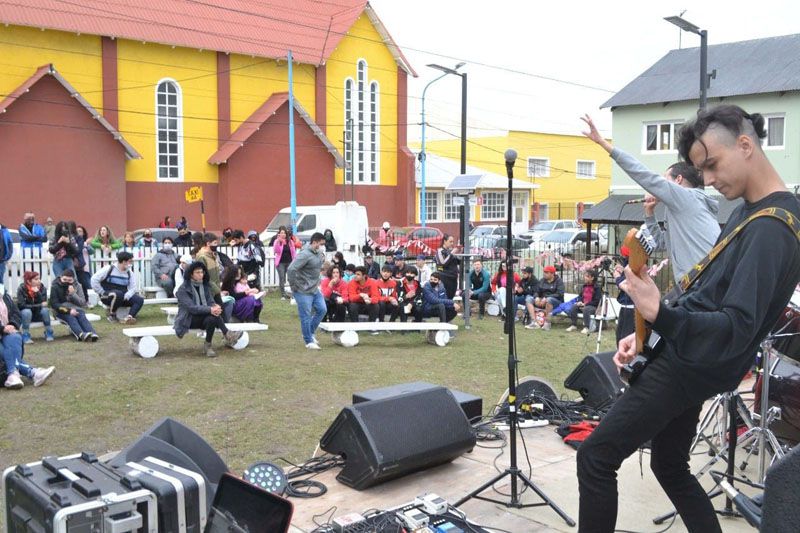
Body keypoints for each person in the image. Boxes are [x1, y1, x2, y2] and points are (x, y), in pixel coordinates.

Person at [576, 105, 800, 533]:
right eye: (703, 170)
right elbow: (705, 291)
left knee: (596, 457)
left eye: (712, 165)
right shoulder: (750, 210)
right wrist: (648, 333)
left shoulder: (772, 228)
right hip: (687, 358)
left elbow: (734, 328)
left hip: (689, 366)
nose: (710, 180)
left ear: (746, 144)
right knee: (669, 464)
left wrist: (659, 311)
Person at [582, 114, 720, 284]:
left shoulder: (687, 197)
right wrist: (649, 214)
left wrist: (603, 144)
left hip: (703, 282)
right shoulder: (681, 208)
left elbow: (644, 176)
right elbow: (662, 244)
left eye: (665, 178)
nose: (661, 185)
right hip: (695, 283)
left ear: (678, 181)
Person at [174, 261, 243, 357]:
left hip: (204, 317)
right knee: (212, 314)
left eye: (202, 272)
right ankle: (227, 334)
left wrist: (215, 306)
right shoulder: (182, 289)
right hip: (188, 319)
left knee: (213, 317)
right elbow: (192, 308)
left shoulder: (205, 286)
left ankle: (208, 345)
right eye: (197, 272)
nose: (201, 275)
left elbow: (210, 301)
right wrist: (210, 309)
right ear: (191, 274)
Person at [1, 290, 55, 390]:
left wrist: (12, 325)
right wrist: (2, 328)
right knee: (6, 354)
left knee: (15, 337)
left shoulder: (5, 296)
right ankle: (33, 372)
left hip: (5, 334)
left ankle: (13, 375)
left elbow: (16, 313)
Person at [287, 232, 327, 350]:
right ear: (314, 242)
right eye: (321, 244)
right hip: (302, 290)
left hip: (315, 289)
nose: (322, 247)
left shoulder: (319, 253)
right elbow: (291, 269)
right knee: (306, 315)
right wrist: (294, 286)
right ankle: (308, 341)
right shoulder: (304, 254)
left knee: (322, 309)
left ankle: (309, 332)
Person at [91, 251, 143, 324]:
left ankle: (129, 317)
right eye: (130, 261)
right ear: (124, 261)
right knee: (118, 294)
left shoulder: (129, 273)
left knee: (139, 299)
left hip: (122, 296)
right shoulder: (109, 269)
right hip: (107, 296)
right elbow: (94, 279)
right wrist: (101, 292)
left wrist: (127, 296)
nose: (131, 264)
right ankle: (112, 315)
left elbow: (133, 288)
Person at [49, 269, 98, 341]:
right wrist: (69, 311)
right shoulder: (55, 286)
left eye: (69, 280)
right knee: (71, 317)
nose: (66, 282)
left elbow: (82, 303)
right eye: (64, 279)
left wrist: (73, 294)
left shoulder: (78, 286)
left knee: (82, 316)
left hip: (77, 309)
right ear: (61, 277)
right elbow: (54, 304)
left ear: (73, 279)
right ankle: (81, 334)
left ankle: (92, 333)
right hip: (61, 311)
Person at [196, 232, 234, 320]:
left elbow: (216, 274)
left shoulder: (212, 256)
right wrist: (217, 289)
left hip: (215, 290)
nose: (217, 245)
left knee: (221, 313)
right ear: (208, 244)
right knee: (217, 313)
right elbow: (204, 276)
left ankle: (225, 330)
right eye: (215, 243)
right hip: (208, 291)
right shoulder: (202, 257)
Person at [16, 271, 54, 343]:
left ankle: (49, 332)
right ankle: (25, 334)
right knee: (27, 311)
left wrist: (38, 293)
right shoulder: (21, 289)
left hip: (37, 314)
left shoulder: (42, 289)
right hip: (26, 316)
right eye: (36, 279)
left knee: (45, 310)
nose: (39, 281)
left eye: (39, 278)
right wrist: (39, 305)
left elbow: (44, 304)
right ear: (29, 281)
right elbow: (21, 306)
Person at [566, 269, 601, 334]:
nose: (585, 278)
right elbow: (580, 296)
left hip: (593, 307)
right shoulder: (584, 286)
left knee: (586, 309)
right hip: (584, 305)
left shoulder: (597, 287)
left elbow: (597, 301)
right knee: (574, 307)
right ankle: (574, 325)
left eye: (587, 276)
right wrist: (579, 302)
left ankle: (586, 327)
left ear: (592, 278)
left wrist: (586, 304)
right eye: (585, 276)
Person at [532, 265, 564, 331]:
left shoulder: (559, 281)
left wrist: (546, 298)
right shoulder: (542, 280)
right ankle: (533, 321)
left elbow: (560, 294)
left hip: (556, 302)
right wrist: (537, 297)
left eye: (547, 272)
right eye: (544, 272)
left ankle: (547, 323)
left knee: (549, 300)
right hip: (543, 300)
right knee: (530, 299)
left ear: (552, 273)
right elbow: (537, 291)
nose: (544, 274)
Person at [273, 227, 296, 300]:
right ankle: (283, 295)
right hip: (280, 263)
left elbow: (293, 252)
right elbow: (276, 251)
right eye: (281, 233)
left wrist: (295, 261)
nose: (283, 234)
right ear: (279, 234)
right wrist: (278, 242)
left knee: (291, 278)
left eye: (284, 233)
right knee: (282, 278)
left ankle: (293, 294)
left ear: (286, 234)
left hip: (289, 262)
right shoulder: (277, 241)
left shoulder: (290, 242)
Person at [434, 234, 460, 298]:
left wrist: (459, 253)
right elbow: (442, 263)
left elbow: (458, 262)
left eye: (453, 242)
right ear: (445, 241)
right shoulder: (440, 251)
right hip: (445, 278)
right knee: (445, 297)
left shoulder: (449, 251)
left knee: (451, 297)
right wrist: (452, 254)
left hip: (453, 278)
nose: (452, 243)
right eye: (450, 241)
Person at [74, 225, 93, 297]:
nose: (78, 232)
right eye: (77, 231)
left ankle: (88, 299)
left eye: (80, 231)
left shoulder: (86, 243)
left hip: (86, 267)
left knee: (87, 285)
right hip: (77, 267)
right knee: (79, 284)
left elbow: (92, 251)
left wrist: (86, 245)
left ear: (83, 233)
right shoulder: (74, 242)